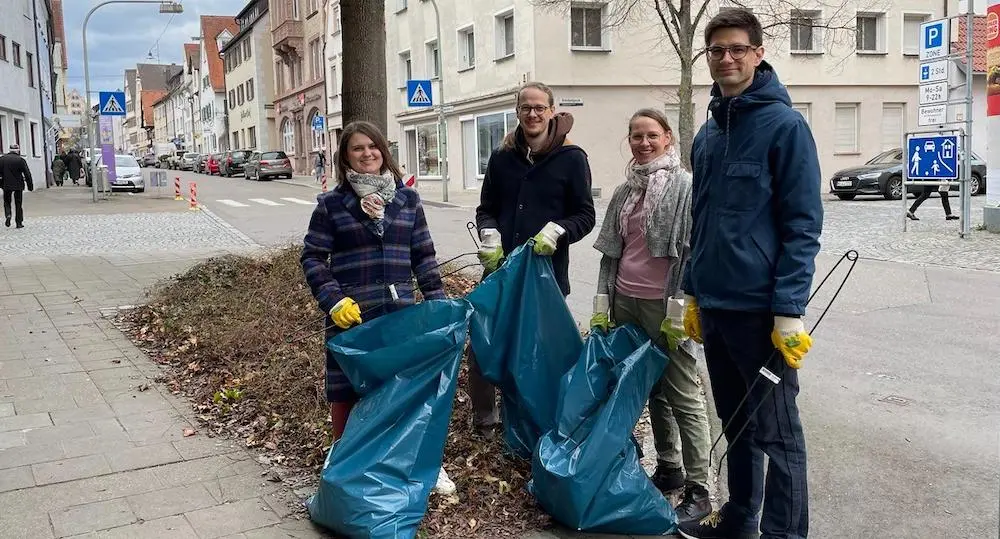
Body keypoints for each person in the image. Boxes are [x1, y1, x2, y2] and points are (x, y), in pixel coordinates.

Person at [677, 9, 823, 539]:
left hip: (762, 313)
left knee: (778, 435)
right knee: (736, 424)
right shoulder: (710, 133)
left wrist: (789, 310)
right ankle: (739, 521)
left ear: (758, 54)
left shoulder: (785, 127)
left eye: (737, 48)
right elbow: (703, 220)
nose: (727, 58)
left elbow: (803, 225)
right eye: (717, 50)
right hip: (715, 308)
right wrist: (693, 292)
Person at [299, 120, 456, 494]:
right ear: (345, 156)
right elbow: (313, 257)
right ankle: (344, 460)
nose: (367, 154)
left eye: (373, 146)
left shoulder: (407, 200)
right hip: (352, 313)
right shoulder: (332, 205)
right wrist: (333, 300)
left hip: (400, 312)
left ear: (384, 151)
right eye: (357, 148)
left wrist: (438, 306)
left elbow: (424, 256)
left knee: (405, 389)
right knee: (347, 388)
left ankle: (421, 463)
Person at [590, 108, 712, 523]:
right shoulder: (626, 192)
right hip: (626, 300)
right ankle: (670, 466)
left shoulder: (684, 187)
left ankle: (701, 486)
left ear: (668, 139)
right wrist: (602, 302)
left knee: (683, 392)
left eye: (652, 136)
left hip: (665, 303)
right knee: (649, 387)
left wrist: (682, 307)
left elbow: (694, 251)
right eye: (636, 136)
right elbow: (612, 250)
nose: (643, 143)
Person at [470, 81, 597, 435]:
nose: (533, 113)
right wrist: (490, 234)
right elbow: (486, 209)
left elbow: (585, 215)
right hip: (500, 271)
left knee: (536, 351)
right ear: (517, 112)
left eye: (540, 107)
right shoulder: (502, 156)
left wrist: (558, 231)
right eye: (526, 107)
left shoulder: (572, 158)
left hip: (546, 276)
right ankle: (484, 420)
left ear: (552, 110)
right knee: (483, 341)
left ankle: (533, 421)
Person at [0, 144, 34, 229]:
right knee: (18, 203)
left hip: (6, 184)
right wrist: (30, 186)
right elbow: (27, 173)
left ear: (9, 150)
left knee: (7, 201)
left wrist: (1, 183)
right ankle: (19, 222)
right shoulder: (20, 160)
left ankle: (8, 214)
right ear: (18, 150)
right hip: (18, 185)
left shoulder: (2, 159)